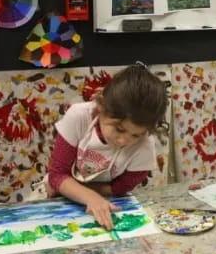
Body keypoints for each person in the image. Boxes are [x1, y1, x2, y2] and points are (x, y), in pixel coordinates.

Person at [30, 63, 168, 230]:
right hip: (54, 198)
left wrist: (75, 190)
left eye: (135, 135)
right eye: (119, 129)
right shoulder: (80, 116)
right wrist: (87, 195)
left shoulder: (145, 146)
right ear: (101, 105)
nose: (123, 141)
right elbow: (57, 175)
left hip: (105, 202)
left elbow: (120, 188)